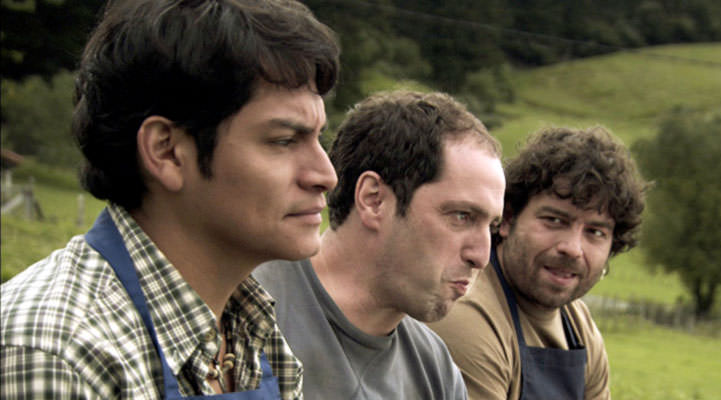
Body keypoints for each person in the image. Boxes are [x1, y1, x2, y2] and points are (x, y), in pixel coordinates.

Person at [0, 0, 339, 398]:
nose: (325, 176)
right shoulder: (60, 355)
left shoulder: (251, 328)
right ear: (167, 151)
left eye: (318, 139)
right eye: (283, 141)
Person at [253, 90, 506, 399]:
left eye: (491, 226)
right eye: (462, 216)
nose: (481, 255)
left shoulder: (434, 369)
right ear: (374, 200)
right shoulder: (248, 310)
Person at [428, 126, 649, 400]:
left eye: (595, 232)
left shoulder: (579, 327)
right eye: (555, 220)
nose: (572, 249)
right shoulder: (467, 314)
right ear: (508, 218)